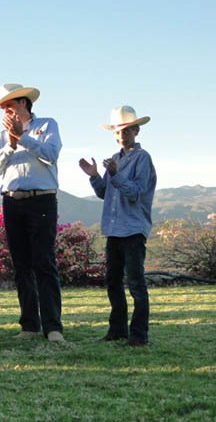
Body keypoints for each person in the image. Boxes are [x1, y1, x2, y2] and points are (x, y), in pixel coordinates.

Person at [0, 83, 64, 342]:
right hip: (12, 202)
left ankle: (53, 327)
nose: (6, 111)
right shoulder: (0, 136)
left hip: (41, 201)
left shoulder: (47, 125)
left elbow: (51, 155)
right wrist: (10, 144)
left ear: (23, 103)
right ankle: (29, 325)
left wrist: (24, 138)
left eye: (9, 104)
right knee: (21, 266)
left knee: (44, 262)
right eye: (2, 107)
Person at [79, 105, 156, 347]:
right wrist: (94, 176)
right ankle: (117, 330)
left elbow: (136, 193)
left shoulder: (142, 158)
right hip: (114, 230)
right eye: (118, 131)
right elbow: (106, 194)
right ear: (114, 134)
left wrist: (115, 175)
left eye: (127, 131)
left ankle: (139, 336)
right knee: (112, 282)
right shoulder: (114, 159)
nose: (122, 135)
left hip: (133, 229)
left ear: (136, 131)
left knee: (135, 284)